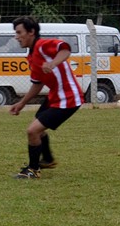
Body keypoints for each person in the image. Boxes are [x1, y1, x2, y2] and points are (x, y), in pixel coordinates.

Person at [9, 16, 84, 179]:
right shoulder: (31, 56)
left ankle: (33, 170)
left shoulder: (42, 46)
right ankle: (48, 159)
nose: (16, 36)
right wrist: (22, 103)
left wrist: (53, 63)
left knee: (32, 131)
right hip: (55, 97)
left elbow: (65, 49)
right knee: (38, 127)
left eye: (19, 32)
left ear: (31, 32)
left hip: (68, 98)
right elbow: (37, 84)